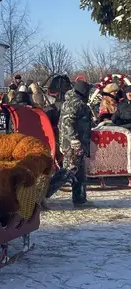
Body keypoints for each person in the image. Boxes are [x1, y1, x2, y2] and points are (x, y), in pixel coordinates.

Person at [51, 76, 93, 206]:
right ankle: (43, 193)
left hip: (77, 143)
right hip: (74, 144)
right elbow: (68, 122)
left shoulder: (73, 102)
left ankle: (80, 198)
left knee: (79, 173)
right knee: (68, 171)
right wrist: (74, 140)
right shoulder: (75, 103)